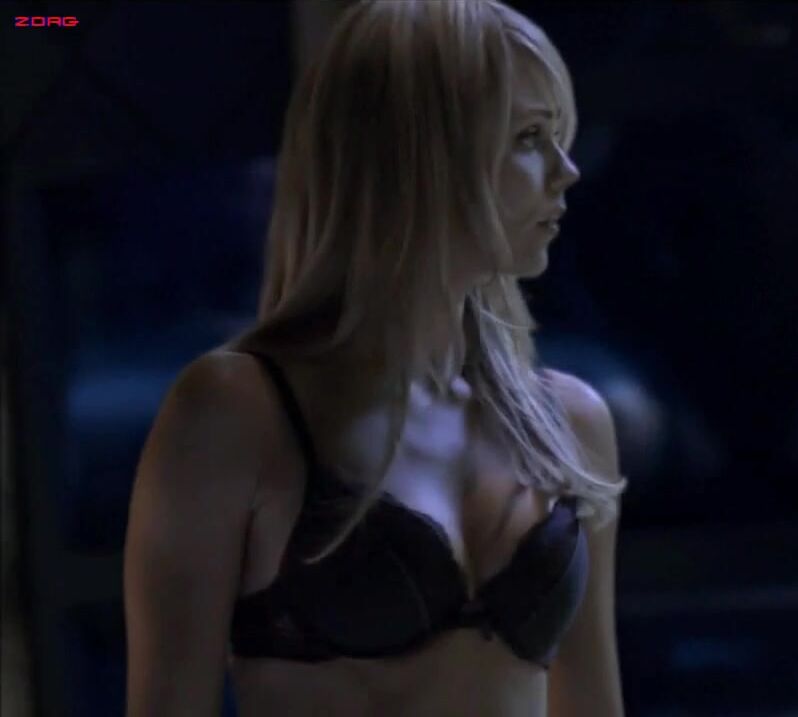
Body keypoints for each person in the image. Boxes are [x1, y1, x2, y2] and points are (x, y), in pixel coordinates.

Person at [123, 1, 627, 714]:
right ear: (420, 158)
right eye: (528, 137)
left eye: (558, 136)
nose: (566, 170)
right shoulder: (234, 413)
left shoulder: (569, 424)